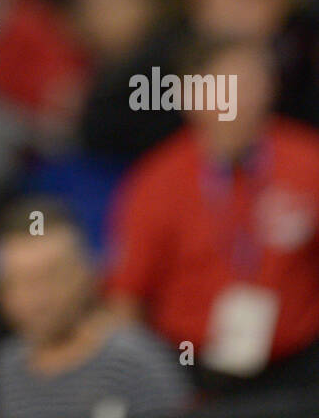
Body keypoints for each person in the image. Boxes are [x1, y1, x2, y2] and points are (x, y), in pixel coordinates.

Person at [105, 33, 319, 396]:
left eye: (254, 83)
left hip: (299, 366)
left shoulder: (307, 160)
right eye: (227, 86)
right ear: (191, 98)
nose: (242, 100)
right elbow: (126, 300)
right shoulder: (155, 183)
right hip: (193, 373)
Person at [0, 198, 191, 418]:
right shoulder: (1, 371)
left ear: (86, 275)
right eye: (18, 283)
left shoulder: (134, 363)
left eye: (50, 278)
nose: (37, 299)